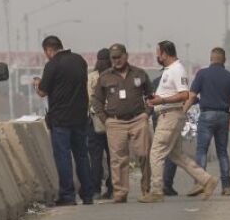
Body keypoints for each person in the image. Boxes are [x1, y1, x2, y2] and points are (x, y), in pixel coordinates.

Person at [146, 40, 217, 202]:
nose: (157, 57)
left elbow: (184, 95)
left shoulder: (177, 70)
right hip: (168, 114)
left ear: (164, 53)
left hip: (169, 116)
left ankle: (156, 191)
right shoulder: (170, 70)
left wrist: (161, 101)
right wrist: (158, 99)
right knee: (177, 155)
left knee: (156, 152)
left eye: (158, 54)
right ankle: (206, 180)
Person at [33, 35, 96, 206]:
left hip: (60, 119)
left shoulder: (52, 65)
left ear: (48, 50)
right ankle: (88, 194)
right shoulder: (79, 61)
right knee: (82, 155)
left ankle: (68, 196)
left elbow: (43, 92)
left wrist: (37, 84)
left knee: (63, 157)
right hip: (80, 117)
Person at [91, 43, 153, 203]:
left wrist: (147, 114)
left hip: (138, 119)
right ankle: (120, 192)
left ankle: (147, 189)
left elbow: (151, 96)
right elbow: (96, 99)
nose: (117, 60)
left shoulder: (140, 74)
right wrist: (105, 119)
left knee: (144, 154)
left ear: (126, 55)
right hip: (115, 122)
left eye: (119, 57)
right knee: (118, 158)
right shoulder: (105, 77)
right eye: (114, 58)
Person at [184, 46, 230, 196]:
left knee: (202, 149)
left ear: (211, 59)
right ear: (224, 60)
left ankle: (200, 182)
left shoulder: (202, 74)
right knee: (222, 152)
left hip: (207, 114)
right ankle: (227, 186)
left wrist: (182, 111)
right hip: (224, 116)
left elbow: (192, 96)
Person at [87, 48, 114, 200]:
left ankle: (95, 188)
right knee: (113, 157)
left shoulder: (91, 77)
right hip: (112, 120)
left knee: (95, 157)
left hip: (94, 121)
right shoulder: (113, 76)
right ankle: (112, 187)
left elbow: (88, 99)